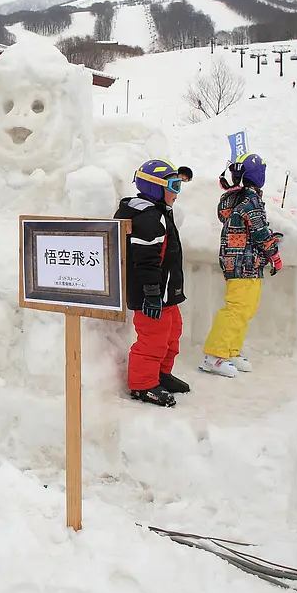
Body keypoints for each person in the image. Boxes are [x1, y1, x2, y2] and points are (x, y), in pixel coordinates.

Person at [115, 159, 189, 407]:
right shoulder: (148, 218)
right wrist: (152, 294)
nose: (177, 193)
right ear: (155, 188)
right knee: (153, 340)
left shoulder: (159, 214)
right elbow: (146, 261)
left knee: (173, 332)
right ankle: (143, 385)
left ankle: (161, 374)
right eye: (173, 186)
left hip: (165, 292)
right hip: (152, 294)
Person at [200, 152, 281, 377]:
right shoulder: (250, 199)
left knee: (246, 308)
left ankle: (230, 350)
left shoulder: (238, 197)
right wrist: (274, 253)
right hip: (242, 262)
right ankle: (213, 355)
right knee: (237, 308)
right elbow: (260, 231)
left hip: (245, 261)